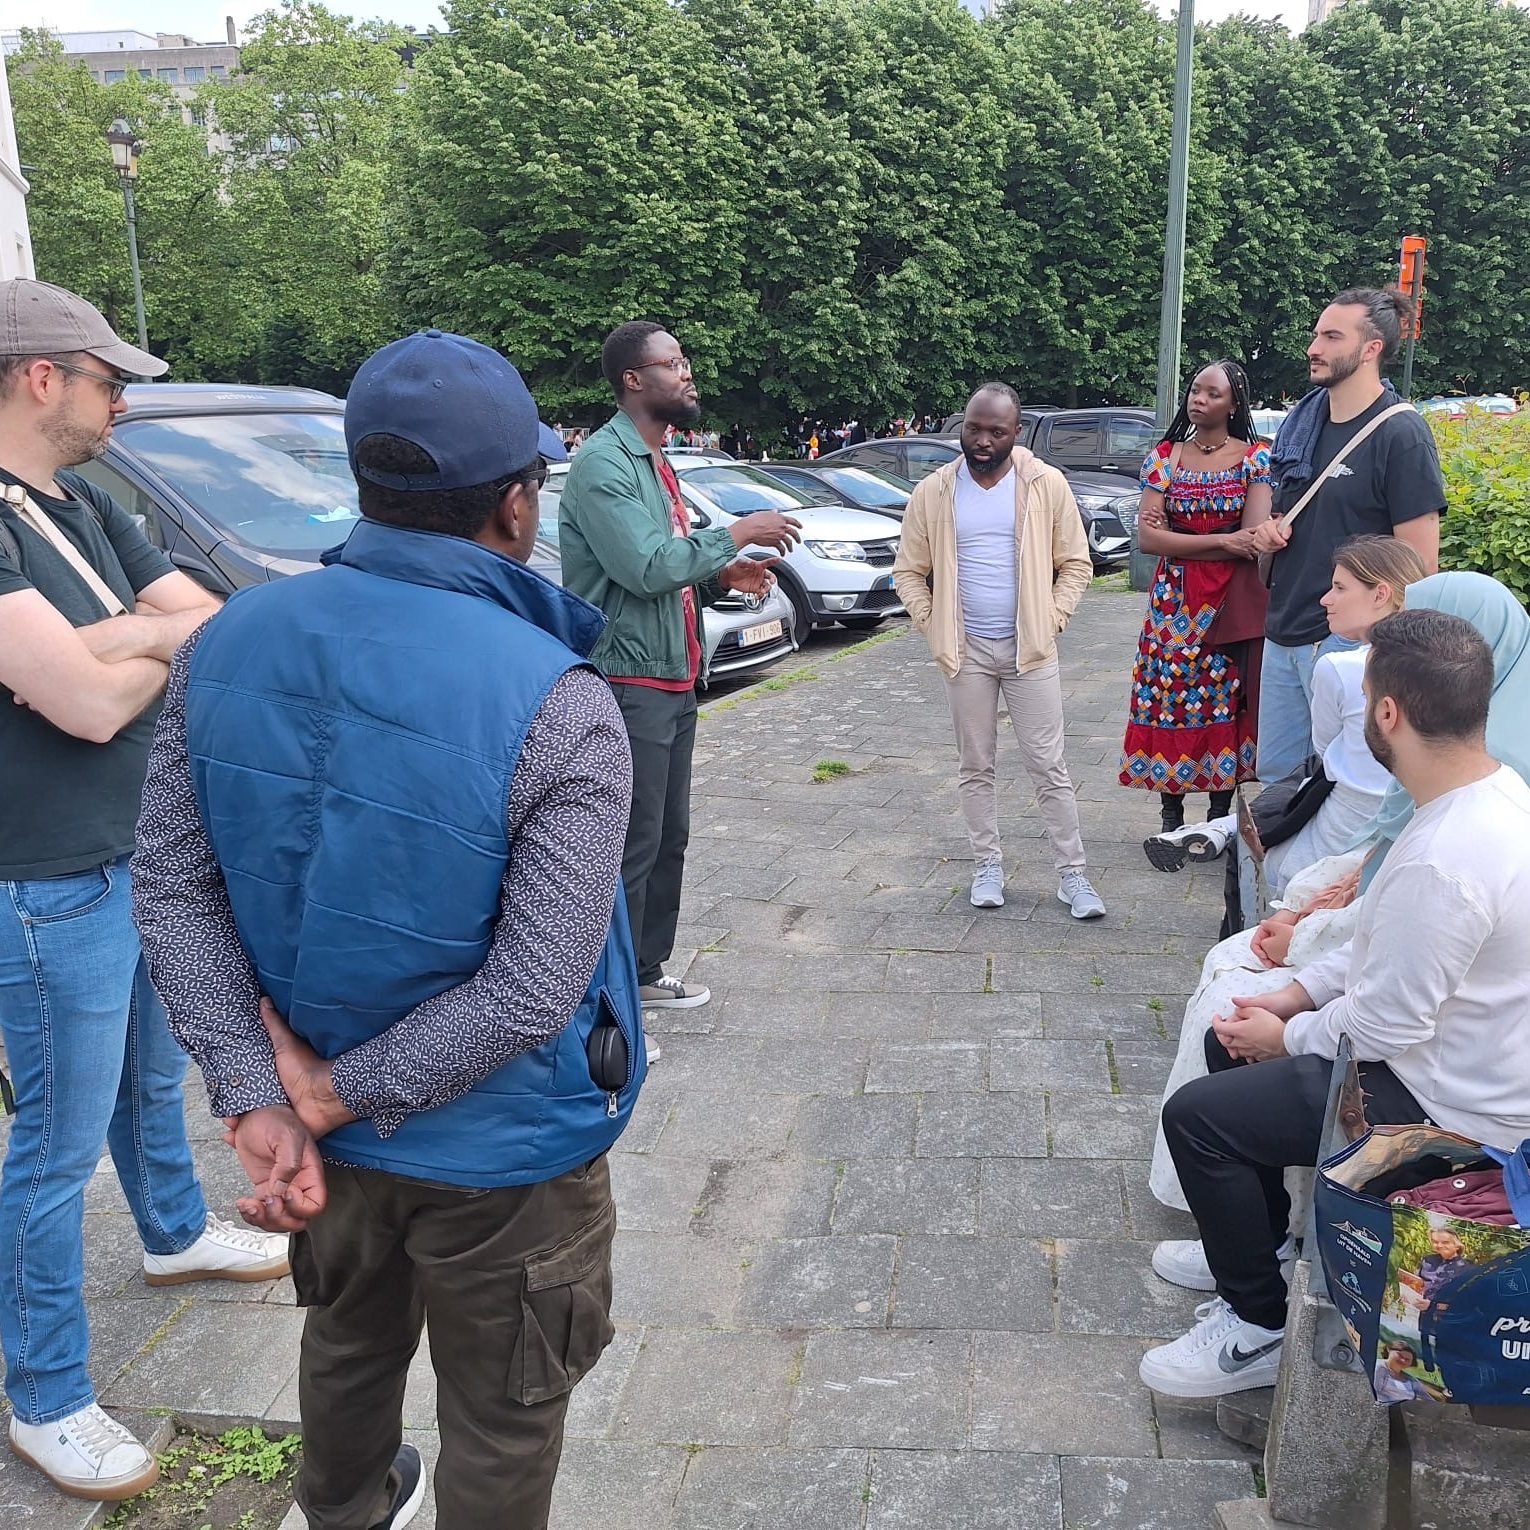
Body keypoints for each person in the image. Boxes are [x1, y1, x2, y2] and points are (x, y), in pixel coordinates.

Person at [132, 330, 646, 1529]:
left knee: (347, 1344)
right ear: (518, 505)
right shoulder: (560, 697)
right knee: (506, 1414)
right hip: (503, 1153)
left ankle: (347, 1509)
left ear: (364, 482)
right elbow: (530, 997)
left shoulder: (221, 643)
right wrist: (307, 1100)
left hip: (330, 1128)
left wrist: (263, 1094)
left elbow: (171, 885)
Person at [0, 279, 288, 1503]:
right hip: (46, 878)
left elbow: (209, 628)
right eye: (110, 378)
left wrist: (118, 637)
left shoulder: (91, 501)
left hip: (139, 857)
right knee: (55, 1148)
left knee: (146, 1078)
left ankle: (170, 1235)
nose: (125, 398)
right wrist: (130, 646)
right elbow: (76, 701)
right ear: (40, 376)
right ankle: (46, 1393)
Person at [1141, 609, 1530, 1400]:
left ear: (1388, 713)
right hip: (1446, 1054)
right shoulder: (1485, 793)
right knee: (1228, 1039)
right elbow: (1385, 948)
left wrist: (1287, 1034)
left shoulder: (1449, 856)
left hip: (1452, 1107)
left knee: (1198, 1119)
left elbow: (1388, 1024)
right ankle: (1258, 1257)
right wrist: (1289, 997)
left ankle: (1257, 1328)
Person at [559, 322, 800, 1042]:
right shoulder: (604, 462)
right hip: (627, 680)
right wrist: (738, 534)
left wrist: (722, 573)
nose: (688, 374)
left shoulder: (655, 458)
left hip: (671, 674)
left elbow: (665, 561)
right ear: (634, 379)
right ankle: (606, 1014)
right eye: (673, 364)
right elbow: (643, 568)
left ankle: (643, 974)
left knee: (669, 838)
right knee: (629, 848)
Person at [892, 382, 1104, 917]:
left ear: (1017, 433)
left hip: (1030, 651)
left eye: (996, 431)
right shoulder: (936, 490)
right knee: (976, 764)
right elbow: (908, 570)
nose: (982, 440)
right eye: (973, 428)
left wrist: (1052, 618)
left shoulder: (1044, 484)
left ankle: (1072, 875)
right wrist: (932, 622)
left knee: (1048, 764)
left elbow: (1076, 562)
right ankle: (988, 866)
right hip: (966, 653)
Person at [1143, 535, 1426, 891]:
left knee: (1303, 783)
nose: (1326, 599)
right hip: (1407, 824)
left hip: (1345, 822)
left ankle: (1224, 829)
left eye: (1339, 588)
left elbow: (1326, 750)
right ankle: (1222, 828)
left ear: (1381, 594)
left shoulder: (1340, 667)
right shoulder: (1443, 666)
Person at [1253, 287, 1444, 782]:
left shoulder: (1401, 434)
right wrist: (1266, 537)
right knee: (1278, 780)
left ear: (1371, 348)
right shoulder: (1302, 425)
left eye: (1332, 336)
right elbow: (1283, 522)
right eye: (1316, 334)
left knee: (1345, 787)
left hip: (1350, 644)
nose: (1314, 347)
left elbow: (1419, 568)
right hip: (1283, 631)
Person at [1121, 360, 1271, 832]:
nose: (1198, 399)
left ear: (1234, 405)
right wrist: (1224, 542)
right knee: (1168, 698)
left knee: (1227, 700)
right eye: (1194, 390)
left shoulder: (1255, 458)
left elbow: (1254, 537)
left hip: (1229, 606)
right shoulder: (1163, 457)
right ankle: (1171, 818)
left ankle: (1218, 819)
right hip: (1172, 606)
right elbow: (1150, 542)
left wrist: (1187, 538)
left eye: (1212, 393)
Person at [1373, 1342, 1447, 1404]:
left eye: (1407, 1359)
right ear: (1389, 1350)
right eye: (1400, 1356)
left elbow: (1428, 1400)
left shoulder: (1410, 1380)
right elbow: (1374, 1396)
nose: (1403, 1360)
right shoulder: (1379, 1367)